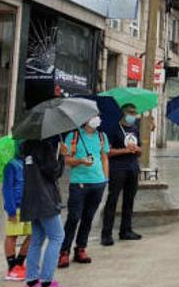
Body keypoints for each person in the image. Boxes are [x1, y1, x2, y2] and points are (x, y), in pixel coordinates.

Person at [20, 136, 70, 287]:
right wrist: (62, 156)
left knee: (37, 238)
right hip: (45, 198)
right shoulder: (44, 146)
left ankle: (31, 282)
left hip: (31, 198)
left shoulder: (26, 146)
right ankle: (46, 284)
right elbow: (54, 172)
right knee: (57, 236)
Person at [59, 115, 109, 268]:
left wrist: (105, 179)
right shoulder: (73, 137)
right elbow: (66, 160)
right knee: (74, 217)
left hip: (98, 183)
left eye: (98, 116)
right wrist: (80, 161)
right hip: (79, 183)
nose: (97, 119)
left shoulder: (102, 136)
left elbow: (104, 157)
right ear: (86, 119)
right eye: (94, 116)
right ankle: (64, 251)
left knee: (88, 217)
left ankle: (81, 248)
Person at [101, 103, 143, 246]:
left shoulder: (135, 129)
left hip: (132, 168)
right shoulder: (114, 129)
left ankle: (126, 230)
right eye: (130, 112)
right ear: (123, 113)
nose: (133, 115)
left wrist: (137, 149)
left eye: (134, 113)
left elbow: (141, 150)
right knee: (112, 200)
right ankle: (106, 233)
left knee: (129, 200)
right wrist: (124, 151)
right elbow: (108, 152)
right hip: (117, 168)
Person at [2, 151, 31, 281]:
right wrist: (11, 210)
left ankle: (19, 263)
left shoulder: (28, 162)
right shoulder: (11, 164)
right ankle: (11, 266)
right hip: (17, 206)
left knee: (33, 234)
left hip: (29, 205)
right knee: (12, 236)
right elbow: (7, 188)